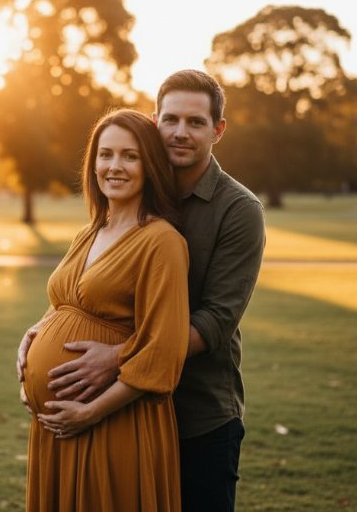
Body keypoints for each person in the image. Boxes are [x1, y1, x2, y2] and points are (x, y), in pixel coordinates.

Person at [18, 70, 265, 512]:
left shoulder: (237, 210)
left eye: (195, 122)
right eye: (171, 119)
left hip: (197, 410)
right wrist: (39, 333)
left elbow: (216, 319)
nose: (180, 132)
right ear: (155, 122)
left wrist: (116, 359)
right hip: (106, 406)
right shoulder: (121, 207)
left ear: (218, 130)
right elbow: (85, 293)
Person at [18, 109, 190, 512]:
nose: (115, 166)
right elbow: (67, 302)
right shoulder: (90, 232)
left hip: (114, 421)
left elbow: (163, 351)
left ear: (150, 166)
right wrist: (34, 337)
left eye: (130, 156)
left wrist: (90, 412)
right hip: (59, 425)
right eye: (106, 154)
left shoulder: (162, 241)